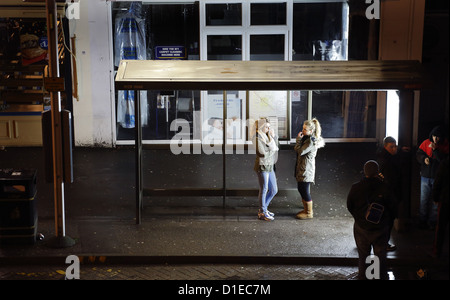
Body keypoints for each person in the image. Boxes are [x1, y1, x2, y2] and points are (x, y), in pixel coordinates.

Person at [347, 160, 395, 280]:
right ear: (378, 172)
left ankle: (364, 276)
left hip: (361, 227)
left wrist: (358, 218)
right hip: (380, 228)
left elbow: (350, 205)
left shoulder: (356, 187)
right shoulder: (384, 187)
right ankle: (380, 276)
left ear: (365, 172)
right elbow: (392, 206)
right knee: (380, 256)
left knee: (363, 255)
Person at [376, 136, 408, 252]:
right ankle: (384, 244)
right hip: (390, 196)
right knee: (387, 221)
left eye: (395, 147)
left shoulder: (383, 157)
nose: (394, 149)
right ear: (386, 147)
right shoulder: (387, 161)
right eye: (392, 147)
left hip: (388, 195)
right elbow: (392, 180)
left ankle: (382, 243)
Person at [416, 125, 449, 230]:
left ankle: (433, 222)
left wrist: (435, 150)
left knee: (435, 202)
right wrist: (423, 159)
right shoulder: (426, 143)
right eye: (434, 136)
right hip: (425, 176)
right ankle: (422, 221)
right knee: (423, 200)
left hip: (437, 178)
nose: (435, 139)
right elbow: (418, 154)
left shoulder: (445, 145)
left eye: (438, 137)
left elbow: (444, 161)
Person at [294, 118, 325, 219]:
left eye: (305, 129)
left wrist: (298, 140)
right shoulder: (307, 138)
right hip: (303, 168)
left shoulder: (311, 142)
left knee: (304, 190)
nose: (303, 131)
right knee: (301, 188)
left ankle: (308, 213)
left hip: (306, 170)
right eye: (303, 129)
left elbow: (300, 151)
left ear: (311, 131)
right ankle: (306, 209)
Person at [252, 118, 279, 221]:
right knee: (264, 189)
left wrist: (274, 137)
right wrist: (273, 150)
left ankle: (263, 209)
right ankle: (263, 212)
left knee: (274, 190)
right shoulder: (256, 137)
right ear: (261, 127)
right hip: (262, 166)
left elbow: (276, 146)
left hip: (270, 165)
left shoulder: (268, 136)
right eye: (267, 127)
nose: (268, 129)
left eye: (269, 127)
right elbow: (262, 153)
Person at [431, 156, 449, 258]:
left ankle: (437, 251)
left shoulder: (445, 163)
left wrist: (435, 197)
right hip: (445, 197)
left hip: (445, 199)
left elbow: (438, 181)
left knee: (441, 226)